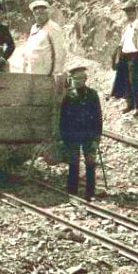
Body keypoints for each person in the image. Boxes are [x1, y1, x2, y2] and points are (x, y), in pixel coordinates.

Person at [58, 66, 103, 200]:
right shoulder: (68, 96)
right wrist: (63, 137)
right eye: (75, 79)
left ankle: (90, 193)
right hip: (73, 136)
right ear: (71, 80)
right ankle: (72, 192)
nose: (77, 81)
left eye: (80, 78)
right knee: (73, 163)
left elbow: (98, 117)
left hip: (89, 135)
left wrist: (96, 138)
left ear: (85, 79)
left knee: (90, 163)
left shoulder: (92, 95)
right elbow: (63, 118)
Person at [111, 1, 138, 117]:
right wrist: (118, 54)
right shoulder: (126, 28)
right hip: (125, 56)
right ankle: (130, 105)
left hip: (135, 56)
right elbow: (122, 43)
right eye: (127, 13)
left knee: (134, 81)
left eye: (131, 13)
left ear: (135, 13)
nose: (129, 15)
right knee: (126, 81)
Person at [16, 0, 66, 76]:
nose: (39, 17)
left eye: (41, 13)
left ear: (47, 14)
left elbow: (60, 52)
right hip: (32, 71)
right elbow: (29, 48)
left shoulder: (53, 28)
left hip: (46, 73)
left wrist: (56, 72)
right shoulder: (34, 28)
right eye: (36, 14)